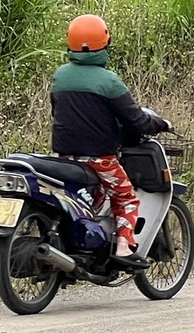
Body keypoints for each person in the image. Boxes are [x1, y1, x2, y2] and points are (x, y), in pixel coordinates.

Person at [51, 14, 169, 266]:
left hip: (65, 159)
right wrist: (161, 124)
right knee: (126, 197)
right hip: (99, 160)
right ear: (105, 42)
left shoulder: (60, 77)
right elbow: (136, 120)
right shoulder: (109, 82)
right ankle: (124, 247)